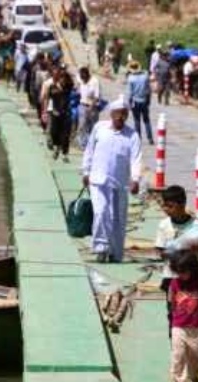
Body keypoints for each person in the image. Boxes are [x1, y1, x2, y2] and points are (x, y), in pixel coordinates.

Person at [81, 96, 143, 263]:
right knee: (101, 212)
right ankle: (101, 248)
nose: (120, 117)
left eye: (124, 114)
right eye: (117, 113)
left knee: (118, 218)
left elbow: (136, 159)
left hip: (120, 183)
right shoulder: (99, 128)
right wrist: (85, 171)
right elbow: (89, 151)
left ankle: (115, 253)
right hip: (98, 180)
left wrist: (135, 179)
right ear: (111, 113)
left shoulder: (132, 135)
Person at [155, 185, 198, 339]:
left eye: (170, 206)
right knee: (173, 312)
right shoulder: (164, 225)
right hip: (171, 277)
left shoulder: (196, 226)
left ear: (182, 204)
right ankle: (176, 345)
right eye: (164, 205)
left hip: (192, 279)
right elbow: (159, 251)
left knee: (192, 312)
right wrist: (171, 252)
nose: (166, 209)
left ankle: (192, 344)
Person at [167, 250, 198, 382]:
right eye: (178, 271)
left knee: (197, 355)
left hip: (196, 327)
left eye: (185, 271)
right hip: (179, 326)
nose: (182, 275)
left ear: (192, 269)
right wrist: (172, 322)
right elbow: (171, 302)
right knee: (178, 355)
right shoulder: (174, 283)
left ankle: (194, 376)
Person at [47, 68, 75, 162]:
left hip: (66, 114)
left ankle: (65, 154)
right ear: (58, 79)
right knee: (54, 132)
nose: (63, 80)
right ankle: (56, 148)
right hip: (56, 113)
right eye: (61, 78)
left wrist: (67, 73)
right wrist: (47, 111)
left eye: (65, 78)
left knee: (65, 135)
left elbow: (72, 82)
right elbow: (49, 97)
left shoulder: (68, 87)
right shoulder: (53, 87)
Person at [125, 60, 154, 144]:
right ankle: (150, 138)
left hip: (135, 101)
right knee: (147, 120)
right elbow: (149, 90)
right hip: (144, 100)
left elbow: (130, 93)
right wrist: (148, 100)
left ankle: (138, 138)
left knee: (137, 120)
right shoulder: (145, 76)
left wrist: (129, 103)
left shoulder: (131, 78)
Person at [77, 67, 101, 149]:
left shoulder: (95, 81)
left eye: (83, 77)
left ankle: (92, 144)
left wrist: (91, 107)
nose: (82, 79)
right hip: (82, 105)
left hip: (92, 107)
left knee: (92, 126)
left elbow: (97, 96)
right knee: (82, 125)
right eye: (81, 77)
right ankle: (83, 144)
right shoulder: (81, 80)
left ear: (87, 75)